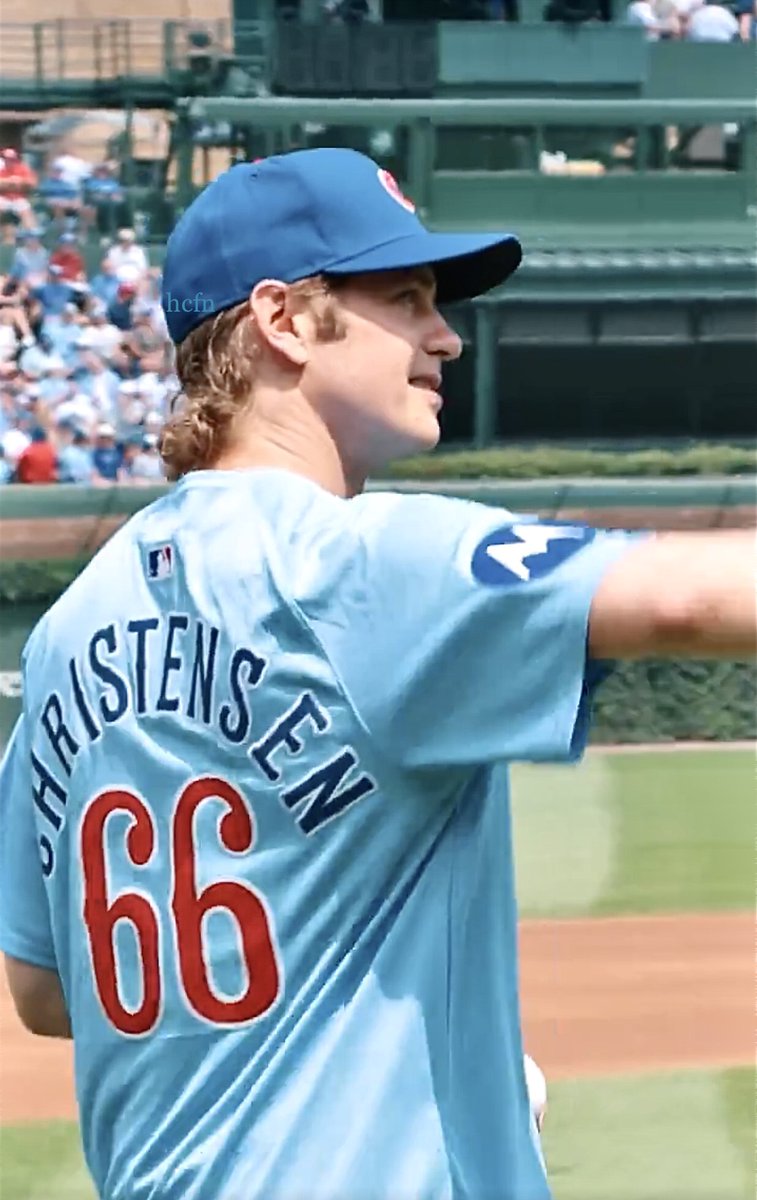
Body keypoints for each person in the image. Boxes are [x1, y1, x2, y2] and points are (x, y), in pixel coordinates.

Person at [0, 147, 753, 1200]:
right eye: (404, 298)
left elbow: (44, 987)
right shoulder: (359, 564)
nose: (444, 333)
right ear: (285, 319)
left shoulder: (69, 630)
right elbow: (688, 599)